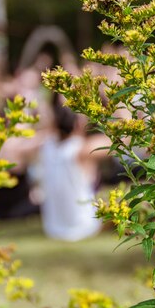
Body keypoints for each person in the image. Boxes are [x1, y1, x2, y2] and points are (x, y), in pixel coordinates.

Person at [35, 96, 110, 241]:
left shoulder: (46, 146)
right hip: (84, 226)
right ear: (78, 123)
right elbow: (122, 141)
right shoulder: (82, 149)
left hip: (52, 228)